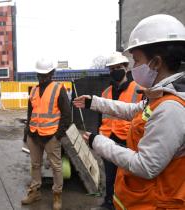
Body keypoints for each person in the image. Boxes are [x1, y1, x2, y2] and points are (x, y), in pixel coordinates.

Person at [73, 14, 185, 210]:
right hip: (145, 197)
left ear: (156, 62)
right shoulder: (162, 95)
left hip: (157, 203)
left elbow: (146, 166)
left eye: (136, 60)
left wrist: (98, 142)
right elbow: (134, 109)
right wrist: (94, 102)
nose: (133, 67)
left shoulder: (171, 108)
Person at [21, 58, 71, 210]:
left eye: (45, 74)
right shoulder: (34, 90)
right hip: (34, 135)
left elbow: (66, 115)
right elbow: (30, 113)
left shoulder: (58, 88)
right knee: (35, 165)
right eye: (40, 75)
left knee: (56, 167)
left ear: (52, 73)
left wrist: (58, 134)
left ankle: (57, 195)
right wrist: (27, 133)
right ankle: (35, 192)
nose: (42, 77)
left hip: (51, 136)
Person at [98, 52, 142, 210]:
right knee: (109, 176)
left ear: (126, 68)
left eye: (118, 67)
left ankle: (125, 204)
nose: (115, 71)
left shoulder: (138, 90)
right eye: (112, 68)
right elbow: (100, 118)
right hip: (108, 139)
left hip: (127, 141)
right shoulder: (105, 93)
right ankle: (109, 202)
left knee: (126, 177)